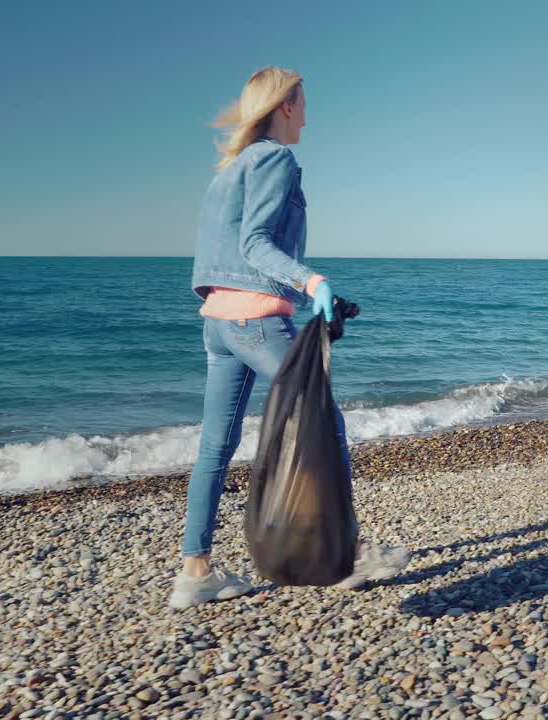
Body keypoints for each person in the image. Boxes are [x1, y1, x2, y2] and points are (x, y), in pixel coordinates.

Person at [172, 67, 408, 609]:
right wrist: (312, 280)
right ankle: (347, 554)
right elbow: (255, 243)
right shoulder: (275, 159)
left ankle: (195, 572)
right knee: (324, 421)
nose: (306, 114)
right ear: (284, 107)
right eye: (303, 104)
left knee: (215, 444)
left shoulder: (227, 171)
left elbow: (218, 254)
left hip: (218, 324)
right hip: (256, 321)